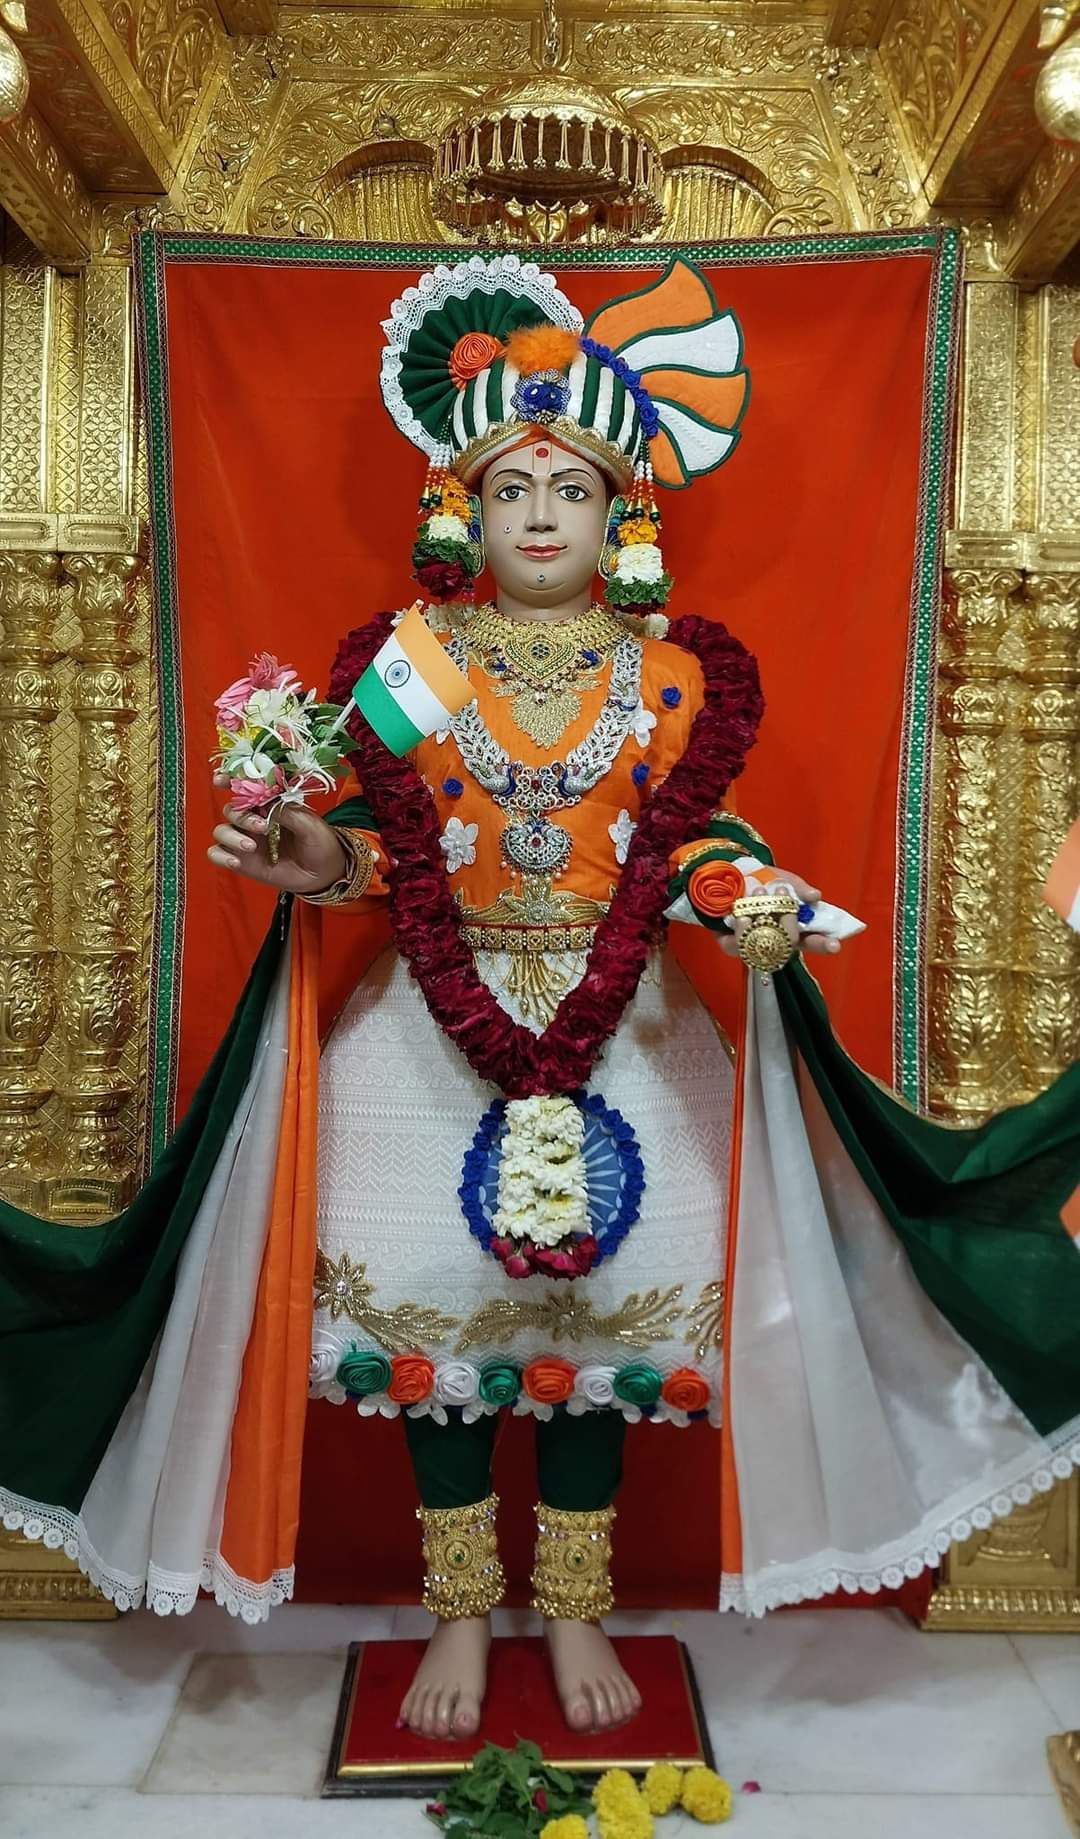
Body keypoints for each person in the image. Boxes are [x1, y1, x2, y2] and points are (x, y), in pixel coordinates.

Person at [4, 255, 1078, 1752]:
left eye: (570, 491)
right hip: (428, 1037)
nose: (540, 517)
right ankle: (458, 1607)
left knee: (596, 1328)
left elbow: (688, 834)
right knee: (440, 1333)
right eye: (511, 491)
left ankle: (571, 1605)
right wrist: (316, 856)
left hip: (625, 1025)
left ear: (622, 517)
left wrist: (733, 891)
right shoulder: (407, 663)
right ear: (464, 512)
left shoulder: (675, 676)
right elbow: (376, 839)